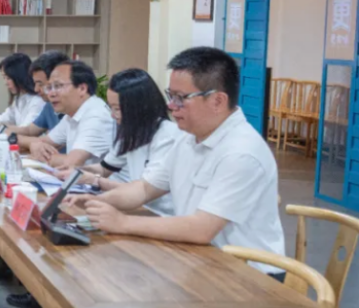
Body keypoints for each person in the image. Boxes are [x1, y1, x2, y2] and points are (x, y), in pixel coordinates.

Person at [65, 47, 286, 278]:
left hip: (248, 275)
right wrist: (96, 201)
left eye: (181, 98)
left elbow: (202, 228)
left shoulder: (241, 153)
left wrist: (122, 222)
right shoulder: (188, 139)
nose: (171, 106)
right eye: (171, 96)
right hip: (202, 258)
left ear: (218, 101)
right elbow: (144, 189)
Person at [55, 68, 179, 217]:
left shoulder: (167, 137)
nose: (113, 116)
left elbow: (143, 190)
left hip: (160, 215)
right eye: (111, 108)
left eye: (117, 109)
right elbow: (104, 168)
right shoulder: (131, 132)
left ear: (138, 107)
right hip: (139, 209)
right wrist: (78, 171)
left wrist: (95, 182)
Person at [28, 60, 114, 168]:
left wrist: (40, 155)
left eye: (58, 86)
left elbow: (72, 163)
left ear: (82, 89)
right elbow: (43, 142)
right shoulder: (72, 114)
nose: (51, 94)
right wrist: (35, 145)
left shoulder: (96, 116)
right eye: (49, 87)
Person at [0, 50, 68, 149]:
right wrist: (0, 133)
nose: (36, 89)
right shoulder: (49, 106)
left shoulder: (41, 102)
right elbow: (30, 131)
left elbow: (50, 144)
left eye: (41, 84)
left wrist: (2, 133)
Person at [0, 53, 45, 132]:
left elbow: (25, 131)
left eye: (8, 78)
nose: (6, 83)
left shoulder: (38, 101)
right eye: (4, 78)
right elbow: (7, 117)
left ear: (20, 76)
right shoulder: (19, 97)